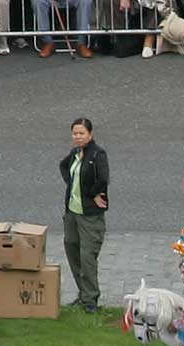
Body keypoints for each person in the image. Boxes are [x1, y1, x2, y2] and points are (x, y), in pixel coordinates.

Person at [60, 117, 109, 313]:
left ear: (90, 134)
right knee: (72, 250)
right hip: (72, 213)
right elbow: (64, 167)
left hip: (90, 216)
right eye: (75, 133)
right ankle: (83, 293)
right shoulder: (75, 153)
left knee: (87, 256)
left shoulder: (97, 154)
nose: (78, 137)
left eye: (82, 133)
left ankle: (91, 300)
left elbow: (103, 178)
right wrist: (72, 185)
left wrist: (93, 194)